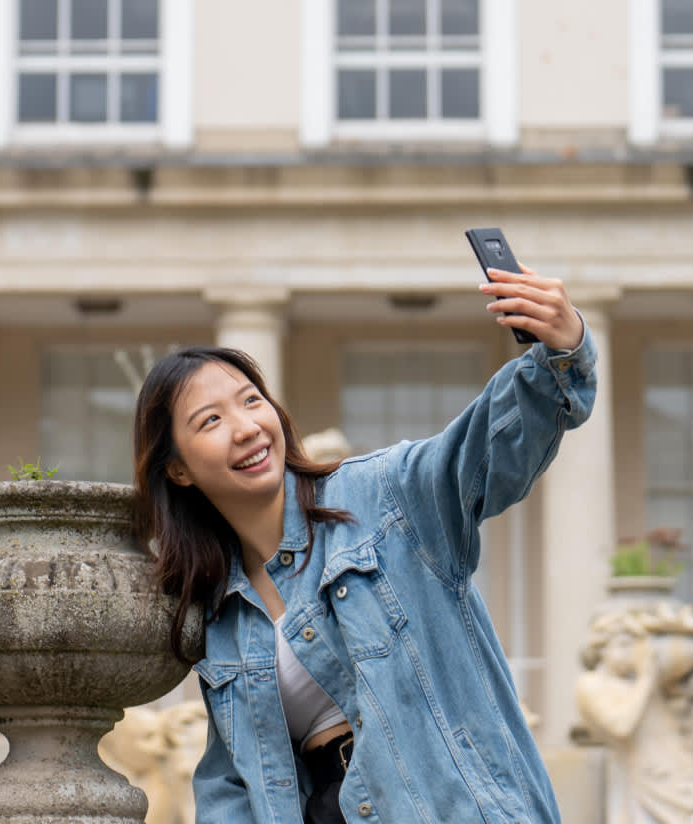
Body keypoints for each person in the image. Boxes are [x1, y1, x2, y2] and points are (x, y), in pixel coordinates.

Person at [131, 266, 595, 823]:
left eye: (251, 400)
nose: (247, 427)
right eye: (210, 420)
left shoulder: (384, 494)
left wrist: (560, 355)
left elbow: (482, 449)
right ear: (178, 469)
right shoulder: (217, 609)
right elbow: (232, 777)